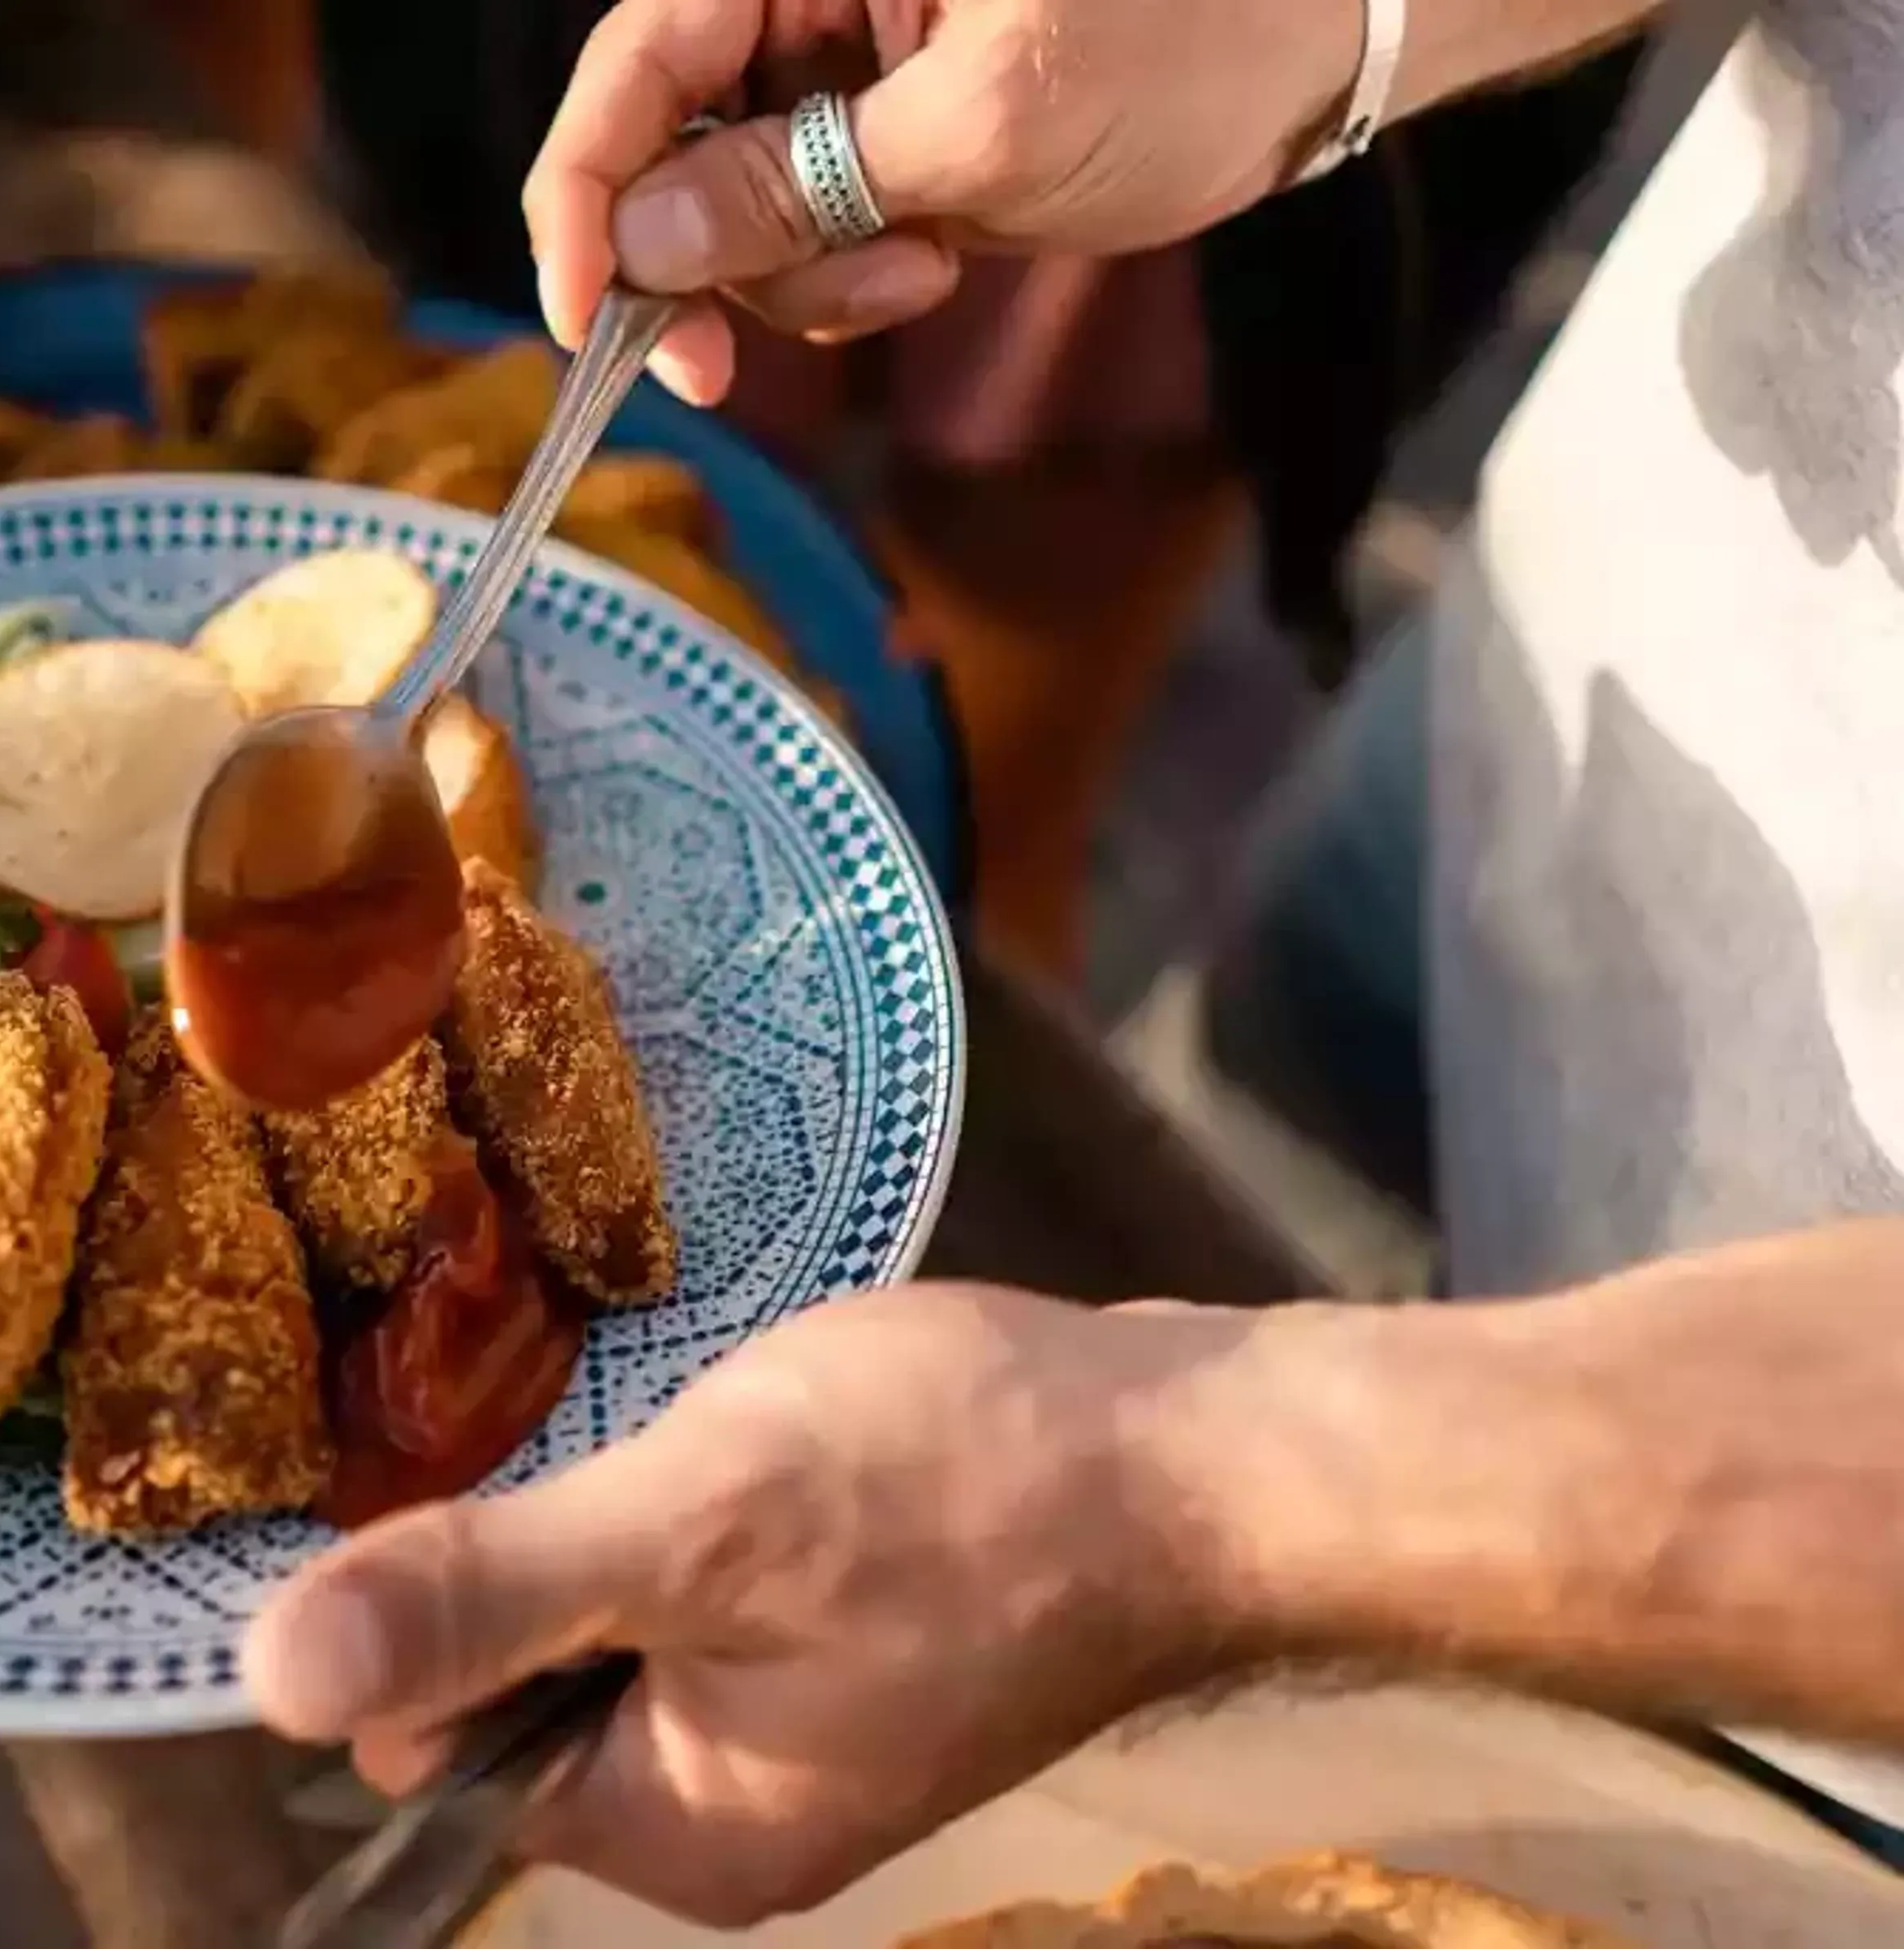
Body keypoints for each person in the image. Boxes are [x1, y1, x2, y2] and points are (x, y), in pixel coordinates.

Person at [243, 0, 1904, 1925]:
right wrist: (1344, 29)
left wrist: (1177, 1500)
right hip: (1588, 704)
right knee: (1233, 1136)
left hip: (1820, 1663)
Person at [0, 1, 1635, 975]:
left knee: (962, 810)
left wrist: (1347, 29)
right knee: (510, 304)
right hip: (551, 47)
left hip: (1244, 140)